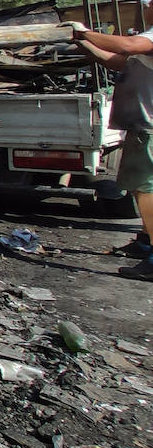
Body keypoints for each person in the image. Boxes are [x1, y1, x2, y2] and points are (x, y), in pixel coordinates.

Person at [69, 21, 153, 280]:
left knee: (147, 193)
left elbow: (127, 46)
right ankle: (146, 242)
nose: (148, 5)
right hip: (143, 128)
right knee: (145, 192)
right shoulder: (145, 48)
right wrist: (81, 42)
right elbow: (116, 61)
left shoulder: (148, 38)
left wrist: (84, 31)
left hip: (149, 128)